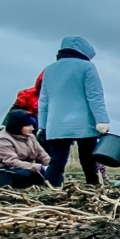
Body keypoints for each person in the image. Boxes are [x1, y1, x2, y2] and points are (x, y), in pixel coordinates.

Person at [38, 36, 109, 187]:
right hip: (83, 123)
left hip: (56, 124)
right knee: (89, 160)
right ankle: (93, 188)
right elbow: (95, 96)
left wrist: (42, 126)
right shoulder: (87, 67)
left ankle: (48, 189)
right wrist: (102, 120)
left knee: (57, 161)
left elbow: (44, 101)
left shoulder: (49, 69)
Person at [0, 110, 50, 188]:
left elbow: (41, 154)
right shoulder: (2, 139)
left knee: (50, 174)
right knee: (25, 175)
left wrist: (51, 165)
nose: (32, 128)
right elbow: (11, 162)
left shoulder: (30, 137)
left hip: (23, 166)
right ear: (18, 125)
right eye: (28, 126)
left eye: (33, 125)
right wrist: (39, 167)